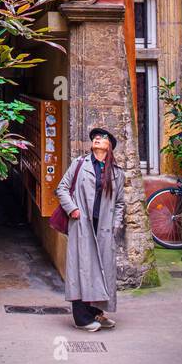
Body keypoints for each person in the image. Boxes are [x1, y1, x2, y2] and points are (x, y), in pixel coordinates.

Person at [55, 126, 125, 331]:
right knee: (82, 269)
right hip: (82, 225)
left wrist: (115, 225)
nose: (97, 139)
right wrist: (72, 209)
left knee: (102, 271)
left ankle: (96, 312)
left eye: (103, 137)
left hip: (103, 229)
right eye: (95, 137)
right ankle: (81, 318)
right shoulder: (79, 164)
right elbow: (62, 188)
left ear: (110, 146)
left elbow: (120, 203)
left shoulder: (117, 173)